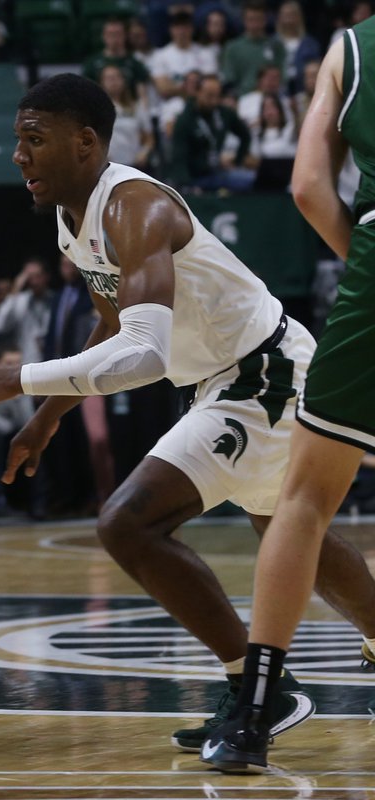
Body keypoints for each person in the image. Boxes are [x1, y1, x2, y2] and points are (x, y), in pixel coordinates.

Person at [0, 73, 375, 756]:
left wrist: (17, 378)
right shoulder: (72, 222)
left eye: (34, 139)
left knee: (130, 523)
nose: (18, 155)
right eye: (17, 140)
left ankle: (260, 689)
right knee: (290, 526)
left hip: (262, 374)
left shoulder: (136, 207)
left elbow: (143, 355)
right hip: (223, 380)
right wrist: (47, 418)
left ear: (85, 143)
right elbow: (114, 322)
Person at [202, 21, 375, 773]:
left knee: (301, 502)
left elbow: (306, 187)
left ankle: (253, 713)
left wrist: (364, 260)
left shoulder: (351, 48)